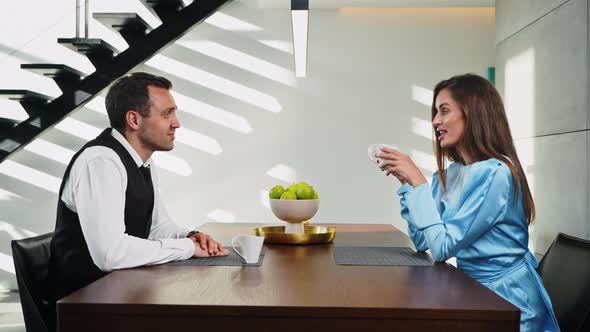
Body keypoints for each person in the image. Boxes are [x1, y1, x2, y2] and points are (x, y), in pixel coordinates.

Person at [376, 73, 560, 331]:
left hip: (509, 304)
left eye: (444, 111)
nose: (435, 121)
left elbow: (442, 248)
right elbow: (421, 240)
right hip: (474, 293)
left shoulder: (497, 174)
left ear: (472, 112)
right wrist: (408, 185)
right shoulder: (451, 174)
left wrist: (418, 183)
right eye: (435, 112)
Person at [48, 72, 229, 305]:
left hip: (121, 293)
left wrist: (190, 236)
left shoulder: (142, 161)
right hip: (83, 305)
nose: (177, 123)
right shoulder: (101, 161)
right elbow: (109, 254)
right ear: (134, 120)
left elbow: (157, 226)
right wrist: (185, 248)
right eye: (167, 114)